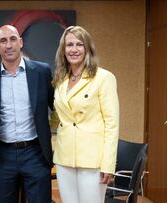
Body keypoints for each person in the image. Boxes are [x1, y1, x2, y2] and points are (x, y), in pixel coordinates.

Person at [0, 25, 54, 203]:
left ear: (20, 42)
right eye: (3, 41)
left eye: (13, 39)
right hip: (4, 156)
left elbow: (58, 105)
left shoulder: (42, 71)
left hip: (36, 152)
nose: (9, 45)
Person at [52, 25, 119, 203]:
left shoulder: (104, 78)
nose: (74, 49)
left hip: (93, 160)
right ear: (63, 50)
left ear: (88, 48)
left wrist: (108, 164)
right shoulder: (60, 79)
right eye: (69, 45)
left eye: (79, 44)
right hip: (65, 157)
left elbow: (112, 124)